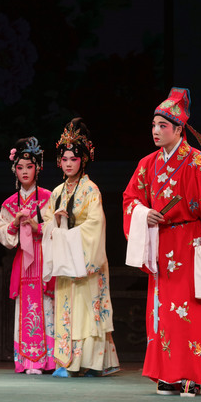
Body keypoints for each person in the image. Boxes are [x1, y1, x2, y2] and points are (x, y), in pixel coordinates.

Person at [122, 88, 201, 396]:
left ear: (178, 129)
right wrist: (143, 213)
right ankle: (167, 374)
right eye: (153, 125)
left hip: (192, 246)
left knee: (191, 311)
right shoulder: (147, 164)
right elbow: (131, 199)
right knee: (163, 312)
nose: (155, 131)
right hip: (161, 244)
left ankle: (191, 375)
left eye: (162, 126)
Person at [41, 117, 119, 377]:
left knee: (88, 310)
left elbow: (95, 225)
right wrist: (56, 223)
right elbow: (47, 224)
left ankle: (92, 362)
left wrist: (70, 233)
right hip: (67, 263)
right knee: (68, 311)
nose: (68, 164)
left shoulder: (91, 190)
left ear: (83, 160)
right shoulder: (57, 192)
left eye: (73, 159)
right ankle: (69, 362)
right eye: (64, 159)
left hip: (86, 261)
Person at [0, 137, 55, 374]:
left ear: (38, 168)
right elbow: (1, 233)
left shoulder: (50, 197)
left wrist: (37, 226)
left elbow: (58, 228)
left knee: (48, 305)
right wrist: (14, 224)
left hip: (46, 257)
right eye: (20, 167)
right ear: (15, 170)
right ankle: (29, 360)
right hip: (24, 261)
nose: (25, 172)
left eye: (29, 167)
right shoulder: (10, 203)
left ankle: (51, 360)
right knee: (27, 307)